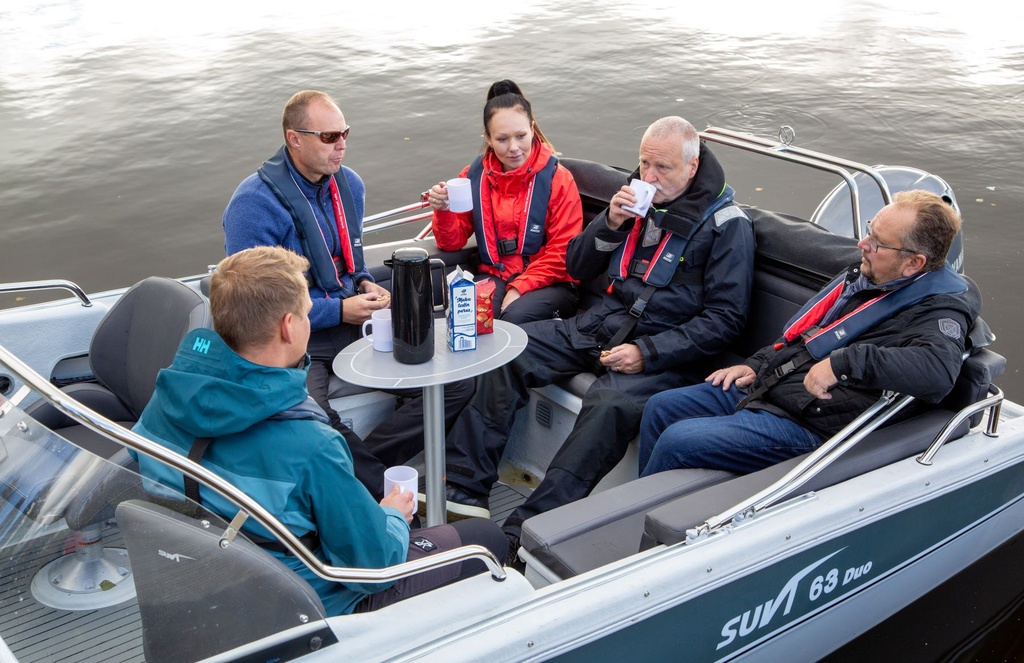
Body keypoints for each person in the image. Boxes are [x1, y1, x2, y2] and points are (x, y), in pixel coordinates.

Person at [441, 117, 756, 559]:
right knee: (510, 350)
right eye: (644, 164)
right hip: (602, 324)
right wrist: (609, 221)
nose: (649, 177)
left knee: (607, 405)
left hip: (665, 350)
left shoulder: (728, 226)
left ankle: (525, 530)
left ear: (692, 166)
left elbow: (725, 321)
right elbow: (577, 266)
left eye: (662, 168)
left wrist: (646, 353)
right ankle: (463, 488)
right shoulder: (635, 199)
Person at [132, 246, 506, 616]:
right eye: (307, 313)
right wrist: (392, 515)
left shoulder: (166, 397)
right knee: (486, 539)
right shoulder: (313, 444)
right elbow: (373, 569)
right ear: (288, 326)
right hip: (307, 603)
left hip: (214, 579)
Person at [222, 90, 472, 500]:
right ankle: (377, 493)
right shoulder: (252, 206)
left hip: (354, 319)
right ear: (294, 139)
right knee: (311, 420)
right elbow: (256, 309)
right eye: (329, 136)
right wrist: (338, 311)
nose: (341, 144)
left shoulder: (349, 185)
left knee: (456, 384)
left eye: (345, 133)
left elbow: (348, 259)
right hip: (296, 338)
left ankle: (361, 475)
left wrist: (364, 282)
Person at [639, 189, 979, 476]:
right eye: (869, 231)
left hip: (811, 424)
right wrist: (757, 365)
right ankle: (645, 502)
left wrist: (843, 363)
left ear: (914, 263)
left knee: (679, 441)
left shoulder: (938, 312)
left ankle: (647, 526)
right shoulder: (868, 278)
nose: (863, 244)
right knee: (663, 407)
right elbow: (806, 336)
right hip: (776, 387)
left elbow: (937, 372)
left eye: (877, 242)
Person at [426, 80, 583, 323]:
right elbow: (451, 243)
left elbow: (564, 252)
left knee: (513, 318)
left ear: (532, 129)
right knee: (468, 317)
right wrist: (443, 210)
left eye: (521, 136)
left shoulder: (558, 179)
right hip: (495, 275)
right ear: (488, 138)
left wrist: (520, 287)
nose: (513, 148)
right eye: (502, 139)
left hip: (551, 283)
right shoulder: (473, 177)